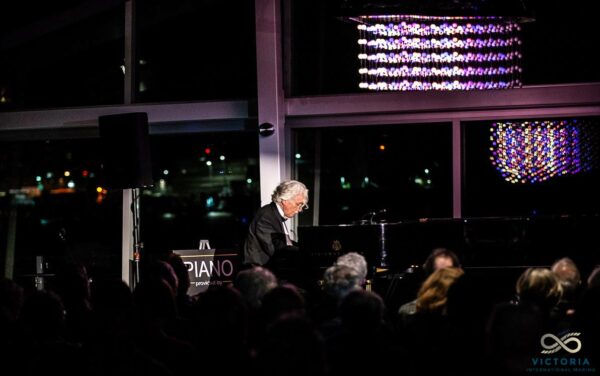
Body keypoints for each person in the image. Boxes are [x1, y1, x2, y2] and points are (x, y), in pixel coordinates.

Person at [243, 180, 309, 282]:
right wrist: (305, 252)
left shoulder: (274, 214)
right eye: (298, 204)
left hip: (270, 270)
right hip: (259, 276)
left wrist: (306, 247)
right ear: (285, 201)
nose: (300, 209)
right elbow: (275, 249)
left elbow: (285, 243)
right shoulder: (266, 216)